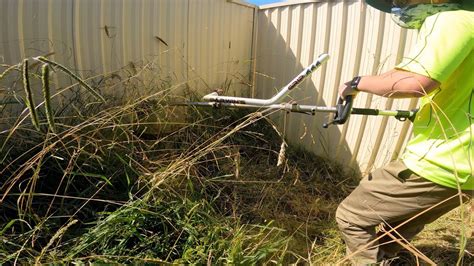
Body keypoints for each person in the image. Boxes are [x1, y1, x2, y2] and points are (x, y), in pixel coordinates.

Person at [335, 0, 474, 264]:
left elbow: (415, 83)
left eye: (402, 0)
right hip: (467, 170)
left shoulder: (450, 21)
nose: (398, 6)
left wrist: (357, 83)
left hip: (441, 161)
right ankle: (388, 258)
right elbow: (412, 73)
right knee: (401, 224)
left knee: (351, 216)